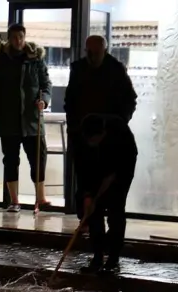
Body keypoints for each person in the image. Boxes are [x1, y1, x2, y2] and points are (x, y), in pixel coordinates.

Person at [64, 35, 137, 222]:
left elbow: (129, 100)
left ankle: (107, 224)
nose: (92, 57)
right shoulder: (79, 69)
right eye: (89, 52)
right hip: (83, 135)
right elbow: (70, 101)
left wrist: (116, 125)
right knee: (84, 181)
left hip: (110, 138)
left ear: (104, 51)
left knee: (111, 190)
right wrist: (74, 128)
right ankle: (87, 219)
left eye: (96, 53)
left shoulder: (116, 70)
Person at [0, 23, 52, 212]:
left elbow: (46, 84)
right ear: (9, 39)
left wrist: (44, 100)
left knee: (38, 158)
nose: (18, 41)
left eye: (20, 37)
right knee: (11, 160)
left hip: (32, 119)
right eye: (14, 37)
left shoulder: (36, 59)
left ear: (25, 37)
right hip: (8, 118)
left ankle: (40, 198)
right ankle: (14, 201)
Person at [77, 114, 138, 274]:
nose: (92, 142)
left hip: (122, 167)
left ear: (103, 133)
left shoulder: (118, 138)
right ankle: (97, 256)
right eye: (89, 141)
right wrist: (88, 196)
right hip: (97, 167)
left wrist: (96, 197)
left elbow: (111, 175)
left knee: (115, 208)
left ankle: (113, 258)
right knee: (93, 213)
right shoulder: (83, 142)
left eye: (95, 140)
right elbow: (83, 171)